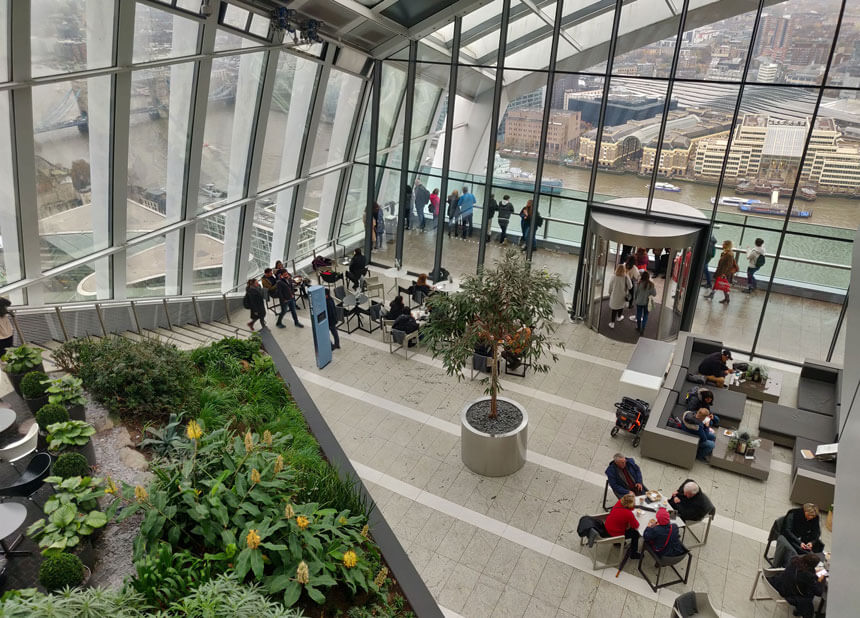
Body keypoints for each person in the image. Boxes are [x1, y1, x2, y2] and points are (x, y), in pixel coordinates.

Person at [766, 553, 826, 618]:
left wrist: (813, 573)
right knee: (808, 596)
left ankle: (799, 611)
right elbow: (818, 592)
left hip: (779, 583)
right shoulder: (808, 576)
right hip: (787, 593)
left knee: (807, 589)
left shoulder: (794, 560)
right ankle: (801, 612)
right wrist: (820, 580)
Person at [605, 493, 641, 559]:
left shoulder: (619, 502)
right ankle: (634, 554)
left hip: (608, 526)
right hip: (615, 533)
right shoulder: (628, 514)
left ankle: (617, 543)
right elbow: (636, 525)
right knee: (635, 534)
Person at [607, 264, 631, 329]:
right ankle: (619, 317)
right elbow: (630, 286)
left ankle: (612, 323)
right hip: (623, 295)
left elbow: (610, 286)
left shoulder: (613, 276)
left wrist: (609, 292)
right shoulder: (626, 277)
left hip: (615, 294)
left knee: (614, 308)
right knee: (621, 306)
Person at [633, 270, 656, 335]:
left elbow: (636, 293)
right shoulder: (651, 284)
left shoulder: (639, 283)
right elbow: (654, 294)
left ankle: (638, 327)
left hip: (639, 302)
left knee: (638, 314)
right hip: (647, 303)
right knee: (645, 315)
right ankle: (643, 328)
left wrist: (635, 299)